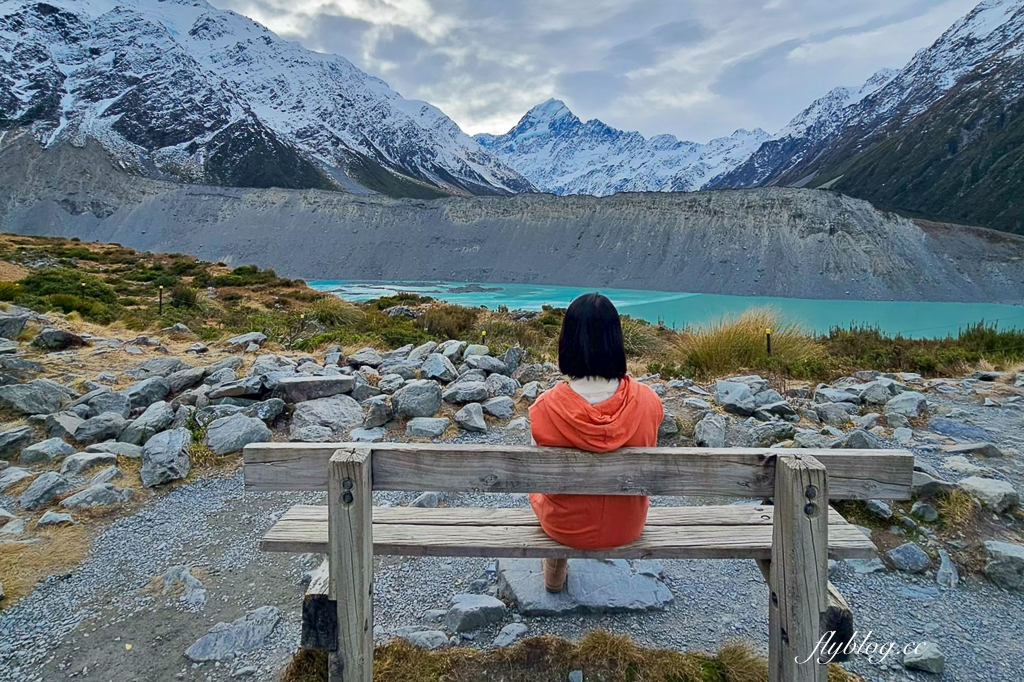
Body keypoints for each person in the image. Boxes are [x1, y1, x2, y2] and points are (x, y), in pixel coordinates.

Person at [528, 292, 664, 592]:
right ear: (616, 340)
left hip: (565, 528)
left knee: (540, 492)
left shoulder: (544, 408)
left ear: (568, 341)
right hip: (628, 525)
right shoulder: (649, 401)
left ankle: (554, 577)